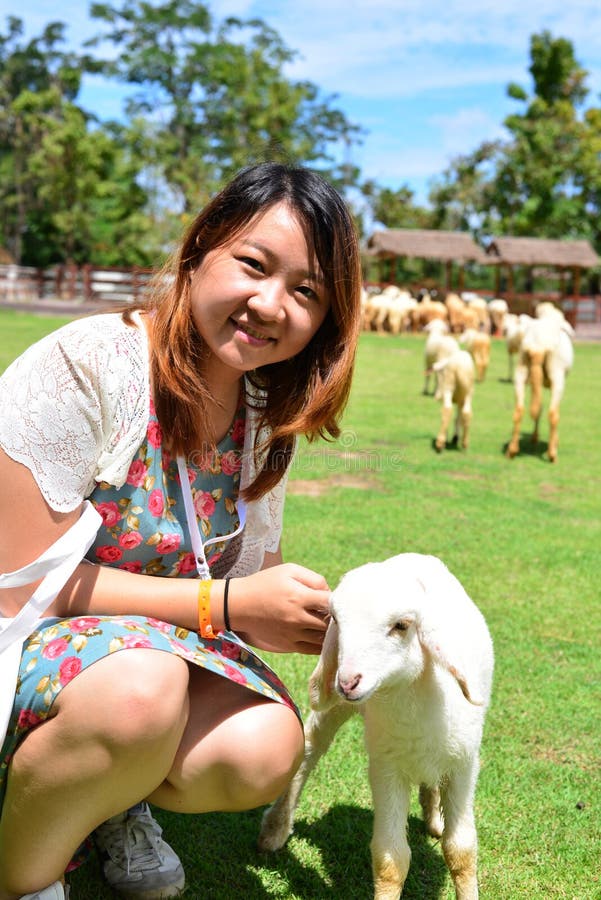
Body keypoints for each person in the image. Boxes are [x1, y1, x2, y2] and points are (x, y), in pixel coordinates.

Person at [0, 162, 362, 900]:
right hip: (34, 631)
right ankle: (23, 879)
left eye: (306, 292)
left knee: (264, 748)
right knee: (141, 691)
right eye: (254, 266)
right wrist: (225, 609)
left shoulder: (262, 417)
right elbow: (20, 577)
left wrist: (328, 624)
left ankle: (106, 795)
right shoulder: (89, 363)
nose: (270, 304)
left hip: (150, 651)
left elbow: (241, 581)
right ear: (200, 252)